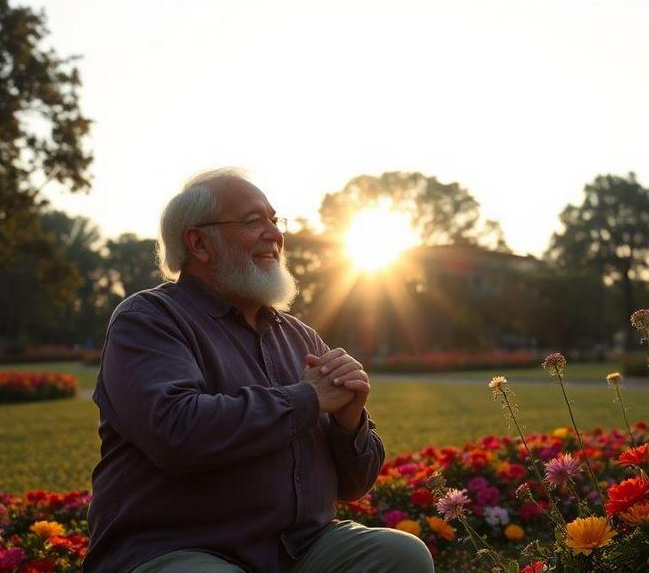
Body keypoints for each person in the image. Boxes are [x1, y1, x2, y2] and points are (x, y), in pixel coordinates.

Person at [86, 169, 433, 573]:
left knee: (402, 556)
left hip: (299, 548)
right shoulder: (149, 319)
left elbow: (355, 486)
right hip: (180, 548)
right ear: (198, 243)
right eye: (253, 221)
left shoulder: (300, 337)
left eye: (274, 219)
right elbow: (174, 432)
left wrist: (348, 421)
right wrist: (308, 398)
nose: (274, 234)